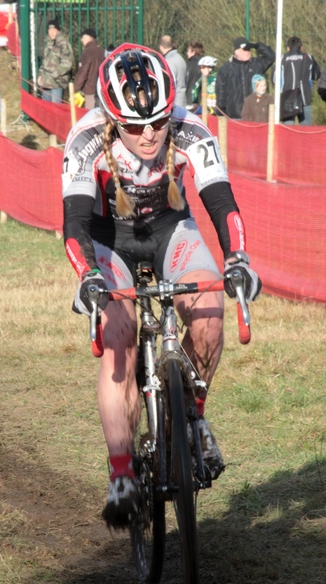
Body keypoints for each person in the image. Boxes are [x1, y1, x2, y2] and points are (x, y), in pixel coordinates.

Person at [62, 43, 261, 528]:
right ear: (112, 119)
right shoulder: (85, 138)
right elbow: (74, 226)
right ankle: (123, 474)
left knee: (210, 310)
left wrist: (237, 258)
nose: (150, 134)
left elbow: (220, 201)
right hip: (110, 242)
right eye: (134, 126)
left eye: (157, 122)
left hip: (172, 229)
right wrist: (88, 276)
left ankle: (192, 417)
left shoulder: (189, 125)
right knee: (118, 340)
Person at [215, 36, 275, 119]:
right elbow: (220, 92)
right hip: (234, 116)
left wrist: (257, 46)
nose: (248, 52)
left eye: (249, 49)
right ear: (236, 51)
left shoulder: (256, 64)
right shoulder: (226, 69)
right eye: (245, 50)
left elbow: (271, 56)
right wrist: (222, 113)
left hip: (255, 115)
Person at [273, 36, 320, 126]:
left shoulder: (282, 58)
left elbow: (274, 79)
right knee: (306, 132)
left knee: (288, 131)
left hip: (287, 99)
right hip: (305, 98)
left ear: (288, 48)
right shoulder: (309, 58)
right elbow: (316, 75)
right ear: (301, 47)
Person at [37, 19, 74, 103]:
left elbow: (67, 63)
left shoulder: (63, 44)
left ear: (58, 31)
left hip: (57, 83)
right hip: (45, 83)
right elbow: (44, 62)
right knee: (46, 109)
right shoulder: (48, 44)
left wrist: (54, 75)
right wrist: (40, 75)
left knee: (56, 109)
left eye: (54, 30)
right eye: (50, 30)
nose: (52, 32)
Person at [73, 28, 105, 110]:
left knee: (89, 115)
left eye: (83, 37)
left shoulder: (87, 53)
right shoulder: (102, 51)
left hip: (90, 91)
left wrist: (75, 89)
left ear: (89, 38)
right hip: (102, 90)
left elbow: (82, 73)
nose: (81, 40)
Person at [159, 35, 187, 108]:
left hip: (174, 104)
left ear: (161, 47)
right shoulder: (181, 59)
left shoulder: (168, 62)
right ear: (173, 45)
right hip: (182, 101)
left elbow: (168, 83)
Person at [185, 41, 205, 106]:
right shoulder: (206, 66)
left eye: (188, 51)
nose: (186, 53)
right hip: (203, 100)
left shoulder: (188, 65)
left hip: (189, 100)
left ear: (193, 52)